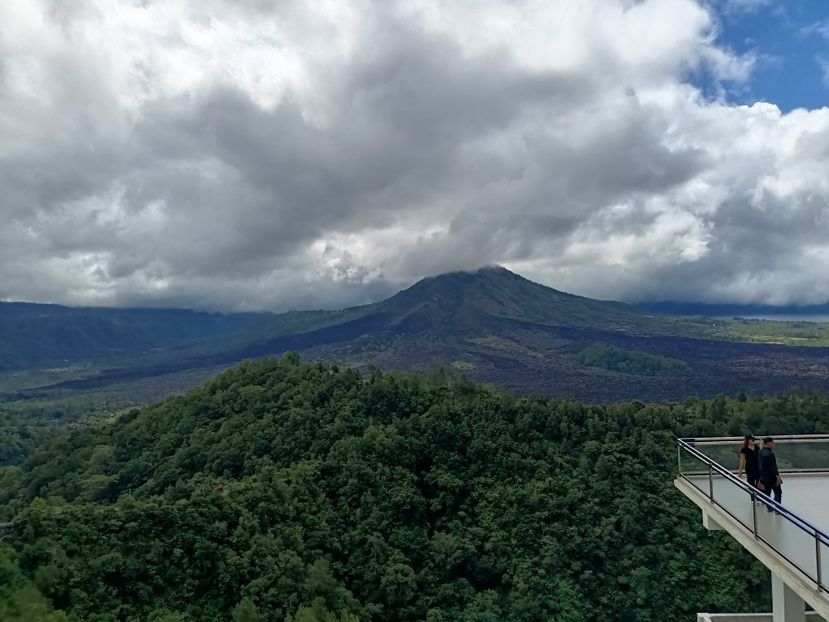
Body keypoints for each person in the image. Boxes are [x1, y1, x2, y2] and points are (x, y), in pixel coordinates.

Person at [758, 437, 782, 513]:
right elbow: (773, 467)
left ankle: (769, 507)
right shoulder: (770, 454)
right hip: (771, 477)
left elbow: (759, 465)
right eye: (772, 443)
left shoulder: (760, 452)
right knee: (778, 492)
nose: (773, 444)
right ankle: (778, 509)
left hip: (763, 476)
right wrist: (777, 477)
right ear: (768, 443)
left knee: (767, 492)